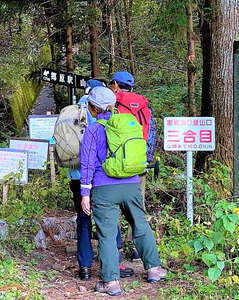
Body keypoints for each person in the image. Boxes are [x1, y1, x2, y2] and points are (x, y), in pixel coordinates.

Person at [80, 86, 166, 296]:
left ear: (93, 107)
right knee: (140, 223)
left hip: (104, 188)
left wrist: (85, 192)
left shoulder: (93, 130)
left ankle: (111, 283)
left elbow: (87, 162)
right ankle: (154, 269)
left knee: (107, 234)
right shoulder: (129, 124)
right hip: (131, 184)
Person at [69, 79, 134, 280]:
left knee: (83, 220)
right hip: (100, 176)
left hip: (76, 175)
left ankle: (85, 267)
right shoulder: (103, 110)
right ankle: (114, 265)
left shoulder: (72, 111)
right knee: (109, 219)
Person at [110, 71, 157, 261]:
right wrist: (146, 159)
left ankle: (116, 249)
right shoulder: (144, 106)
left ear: (115, 84)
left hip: (114, 165)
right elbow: (152, 134)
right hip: (139, 164)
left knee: (111, 206)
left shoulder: (111, 104)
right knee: (137, 207)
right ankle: (138, 249)